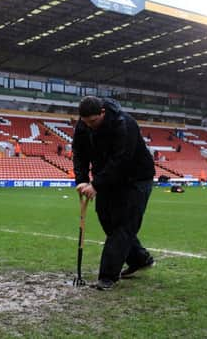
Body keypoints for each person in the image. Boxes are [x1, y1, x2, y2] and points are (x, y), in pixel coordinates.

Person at [73, 96, 156, 291]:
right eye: (85, 122)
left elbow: (122, 160)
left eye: (93, 122)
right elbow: (79, 153)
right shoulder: (83, 125)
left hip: (136, 178)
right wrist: (82, 180)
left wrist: (96, 185)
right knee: (107, 220)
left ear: (102, 112)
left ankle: (108, 276)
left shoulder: (125, 124)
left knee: (124, 223)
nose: (89, 126)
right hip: (108, 178)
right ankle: (140, 259)